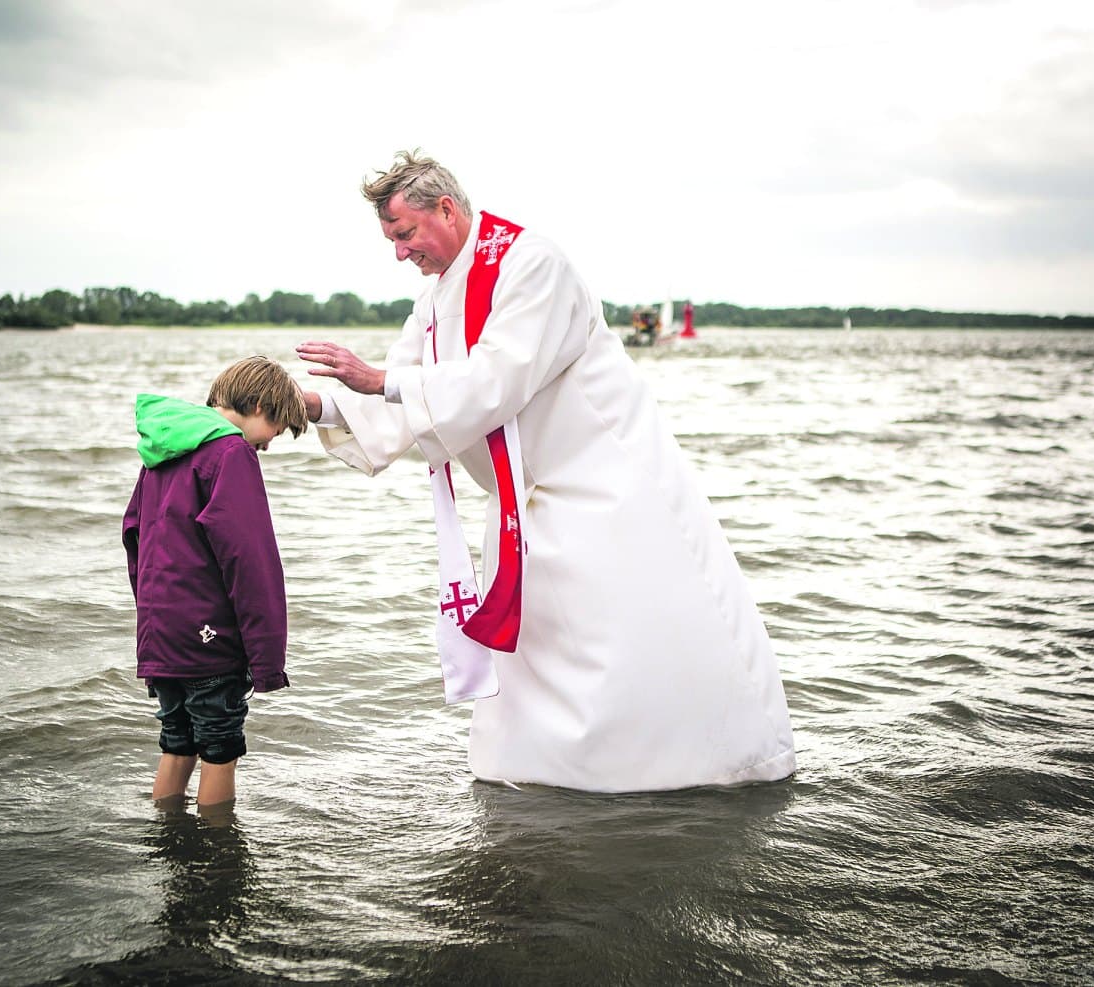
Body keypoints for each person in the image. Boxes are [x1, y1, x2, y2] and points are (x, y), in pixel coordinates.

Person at [295, 150, 796, 793]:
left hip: (606, 493)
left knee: (629, 645)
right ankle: (535, 785)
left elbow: (495, 379)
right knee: (537, 662)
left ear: (446, 209)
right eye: (393, 240)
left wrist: (380, 379)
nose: (399, 253)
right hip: (524, 505)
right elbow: (401, 396)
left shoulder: (532, 263)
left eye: (404, 234)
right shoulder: (434, 298)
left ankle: (692, 773)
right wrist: (311, 403)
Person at [121, 356, 308, 810]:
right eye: (278, 428)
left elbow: (133, 536)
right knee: (220, 748)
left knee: (177, 740)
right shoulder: (230, 453)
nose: (271, 443)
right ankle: (220, 858)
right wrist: (267, 660)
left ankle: (169, 840)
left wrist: (152, 613)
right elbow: (250, 559)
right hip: (210, 634)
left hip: (161, 631)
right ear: (261, 404)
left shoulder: (163, 452)